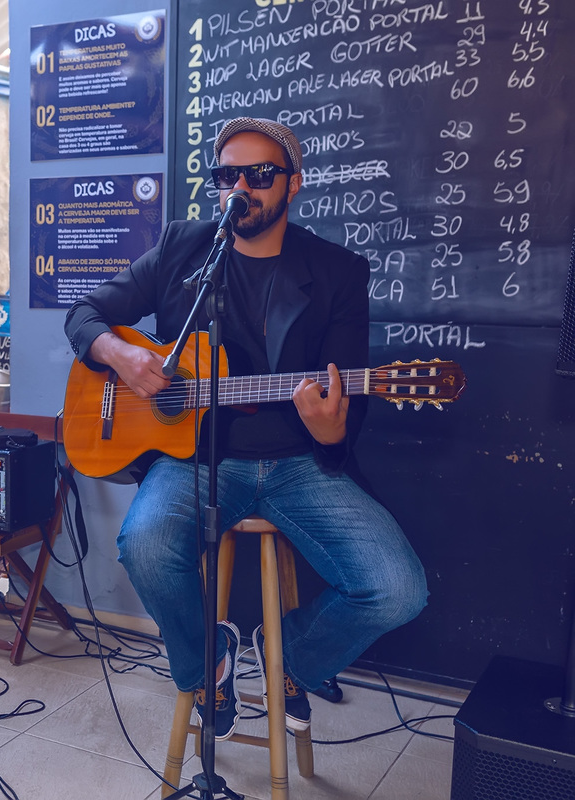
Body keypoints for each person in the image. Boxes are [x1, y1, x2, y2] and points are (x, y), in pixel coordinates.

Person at [63, 117, 427, 740]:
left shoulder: (337, 272)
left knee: (397, 589)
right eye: (228, 175)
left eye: (260, 175)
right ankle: (210, 662)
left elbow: (347, 408)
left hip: (298, 463)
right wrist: (120, 355)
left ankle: (291, 661)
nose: (242, 188)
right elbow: (85, 312)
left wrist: (329, 430)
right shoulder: (183, 249)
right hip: (196, 458)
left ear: (293, 183)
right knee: (143, 544)